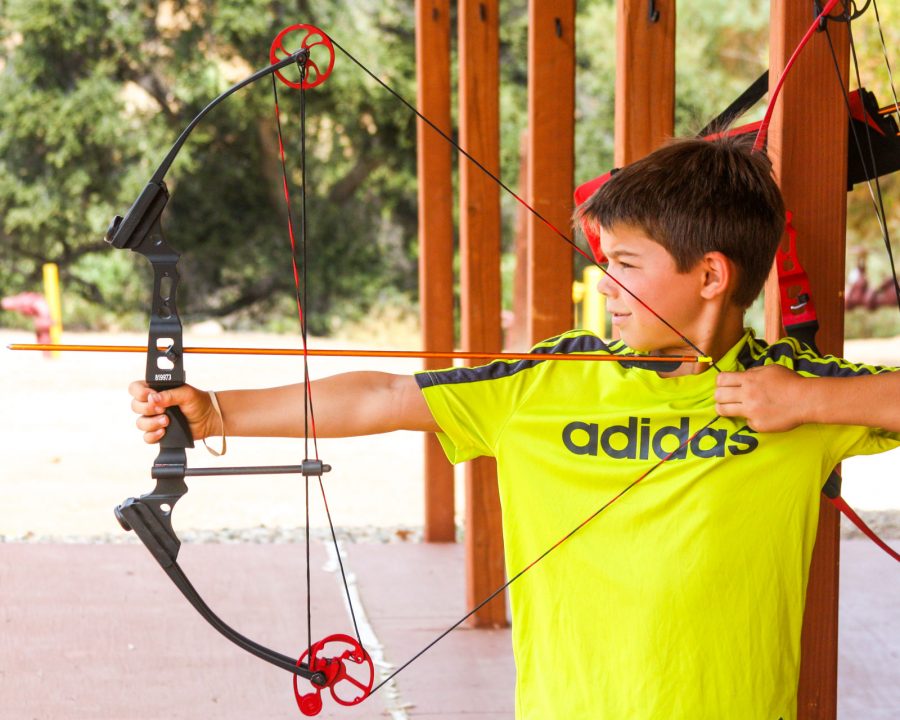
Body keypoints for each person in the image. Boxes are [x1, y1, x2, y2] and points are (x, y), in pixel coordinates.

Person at [129, 136, 899, 719]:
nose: (608, 285)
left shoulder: (795, 392)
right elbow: (388, 395)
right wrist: (219, 411)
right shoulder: (554, 377)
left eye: (628, 263)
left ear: (709, 275)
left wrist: (809, 402)